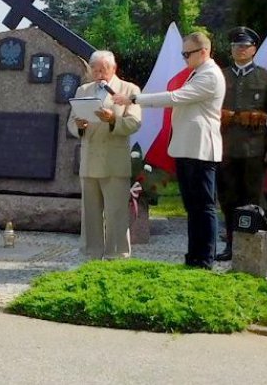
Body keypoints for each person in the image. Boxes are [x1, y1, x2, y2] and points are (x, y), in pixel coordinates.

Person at [116, 33, 223, 268]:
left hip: (201, 149)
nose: (184, 58)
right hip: (187, 147)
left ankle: (205, 257)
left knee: (203, 206)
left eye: (188, 54)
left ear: (203, 51)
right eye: (183, 53)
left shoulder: (210, 75)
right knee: (192, 206)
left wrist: (135, 99)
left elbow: (176, 97)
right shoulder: (196, 73)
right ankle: (194, 255)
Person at [68, 51, 142, 259]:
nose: (99, 74)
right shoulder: (83, 90)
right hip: (90, 160)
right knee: (90, 213)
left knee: (116, 213)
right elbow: (71, 123)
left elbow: (134, 122)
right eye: (95, 69)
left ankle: (117, 255)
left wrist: (112, 121)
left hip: (114, 162)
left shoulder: (129, 89)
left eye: (103, 69)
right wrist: (79, 125)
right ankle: (90, 253)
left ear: (114, 69)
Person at [218, 27, 267, 259]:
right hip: (225, 147)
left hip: (255, 147)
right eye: (236, 46)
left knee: (253, 197)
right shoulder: (221, 76)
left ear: (254, 49)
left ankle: (255, 243)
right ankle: (232, 244)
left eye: (244, 46)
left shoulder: (266, 78)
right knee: (228, 197)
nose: (240, 50)